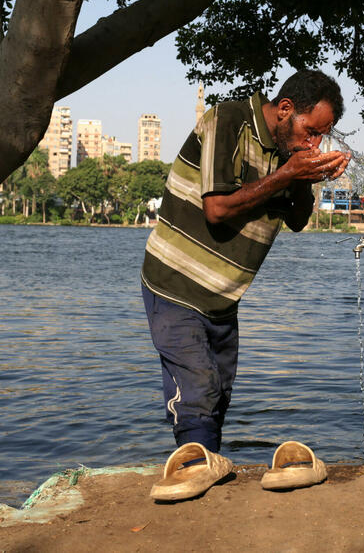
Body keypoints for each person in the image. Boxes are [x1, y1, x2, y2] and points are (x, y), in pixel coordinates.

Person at [141, 69, 350, 458]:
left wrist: (306, 175)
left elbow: (299, 220)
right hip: (175, 284)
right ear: (285, 109)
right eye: (311, 131)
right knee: (197, 391)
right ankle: (195, 475)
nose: (315, 141)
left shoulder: (290, 153)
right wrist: (289, 172)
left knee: (218, 395)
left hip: (223, 299)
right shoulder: (228, 120)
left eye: (322, 135)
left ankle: (205, 475)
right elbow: (217, 209)